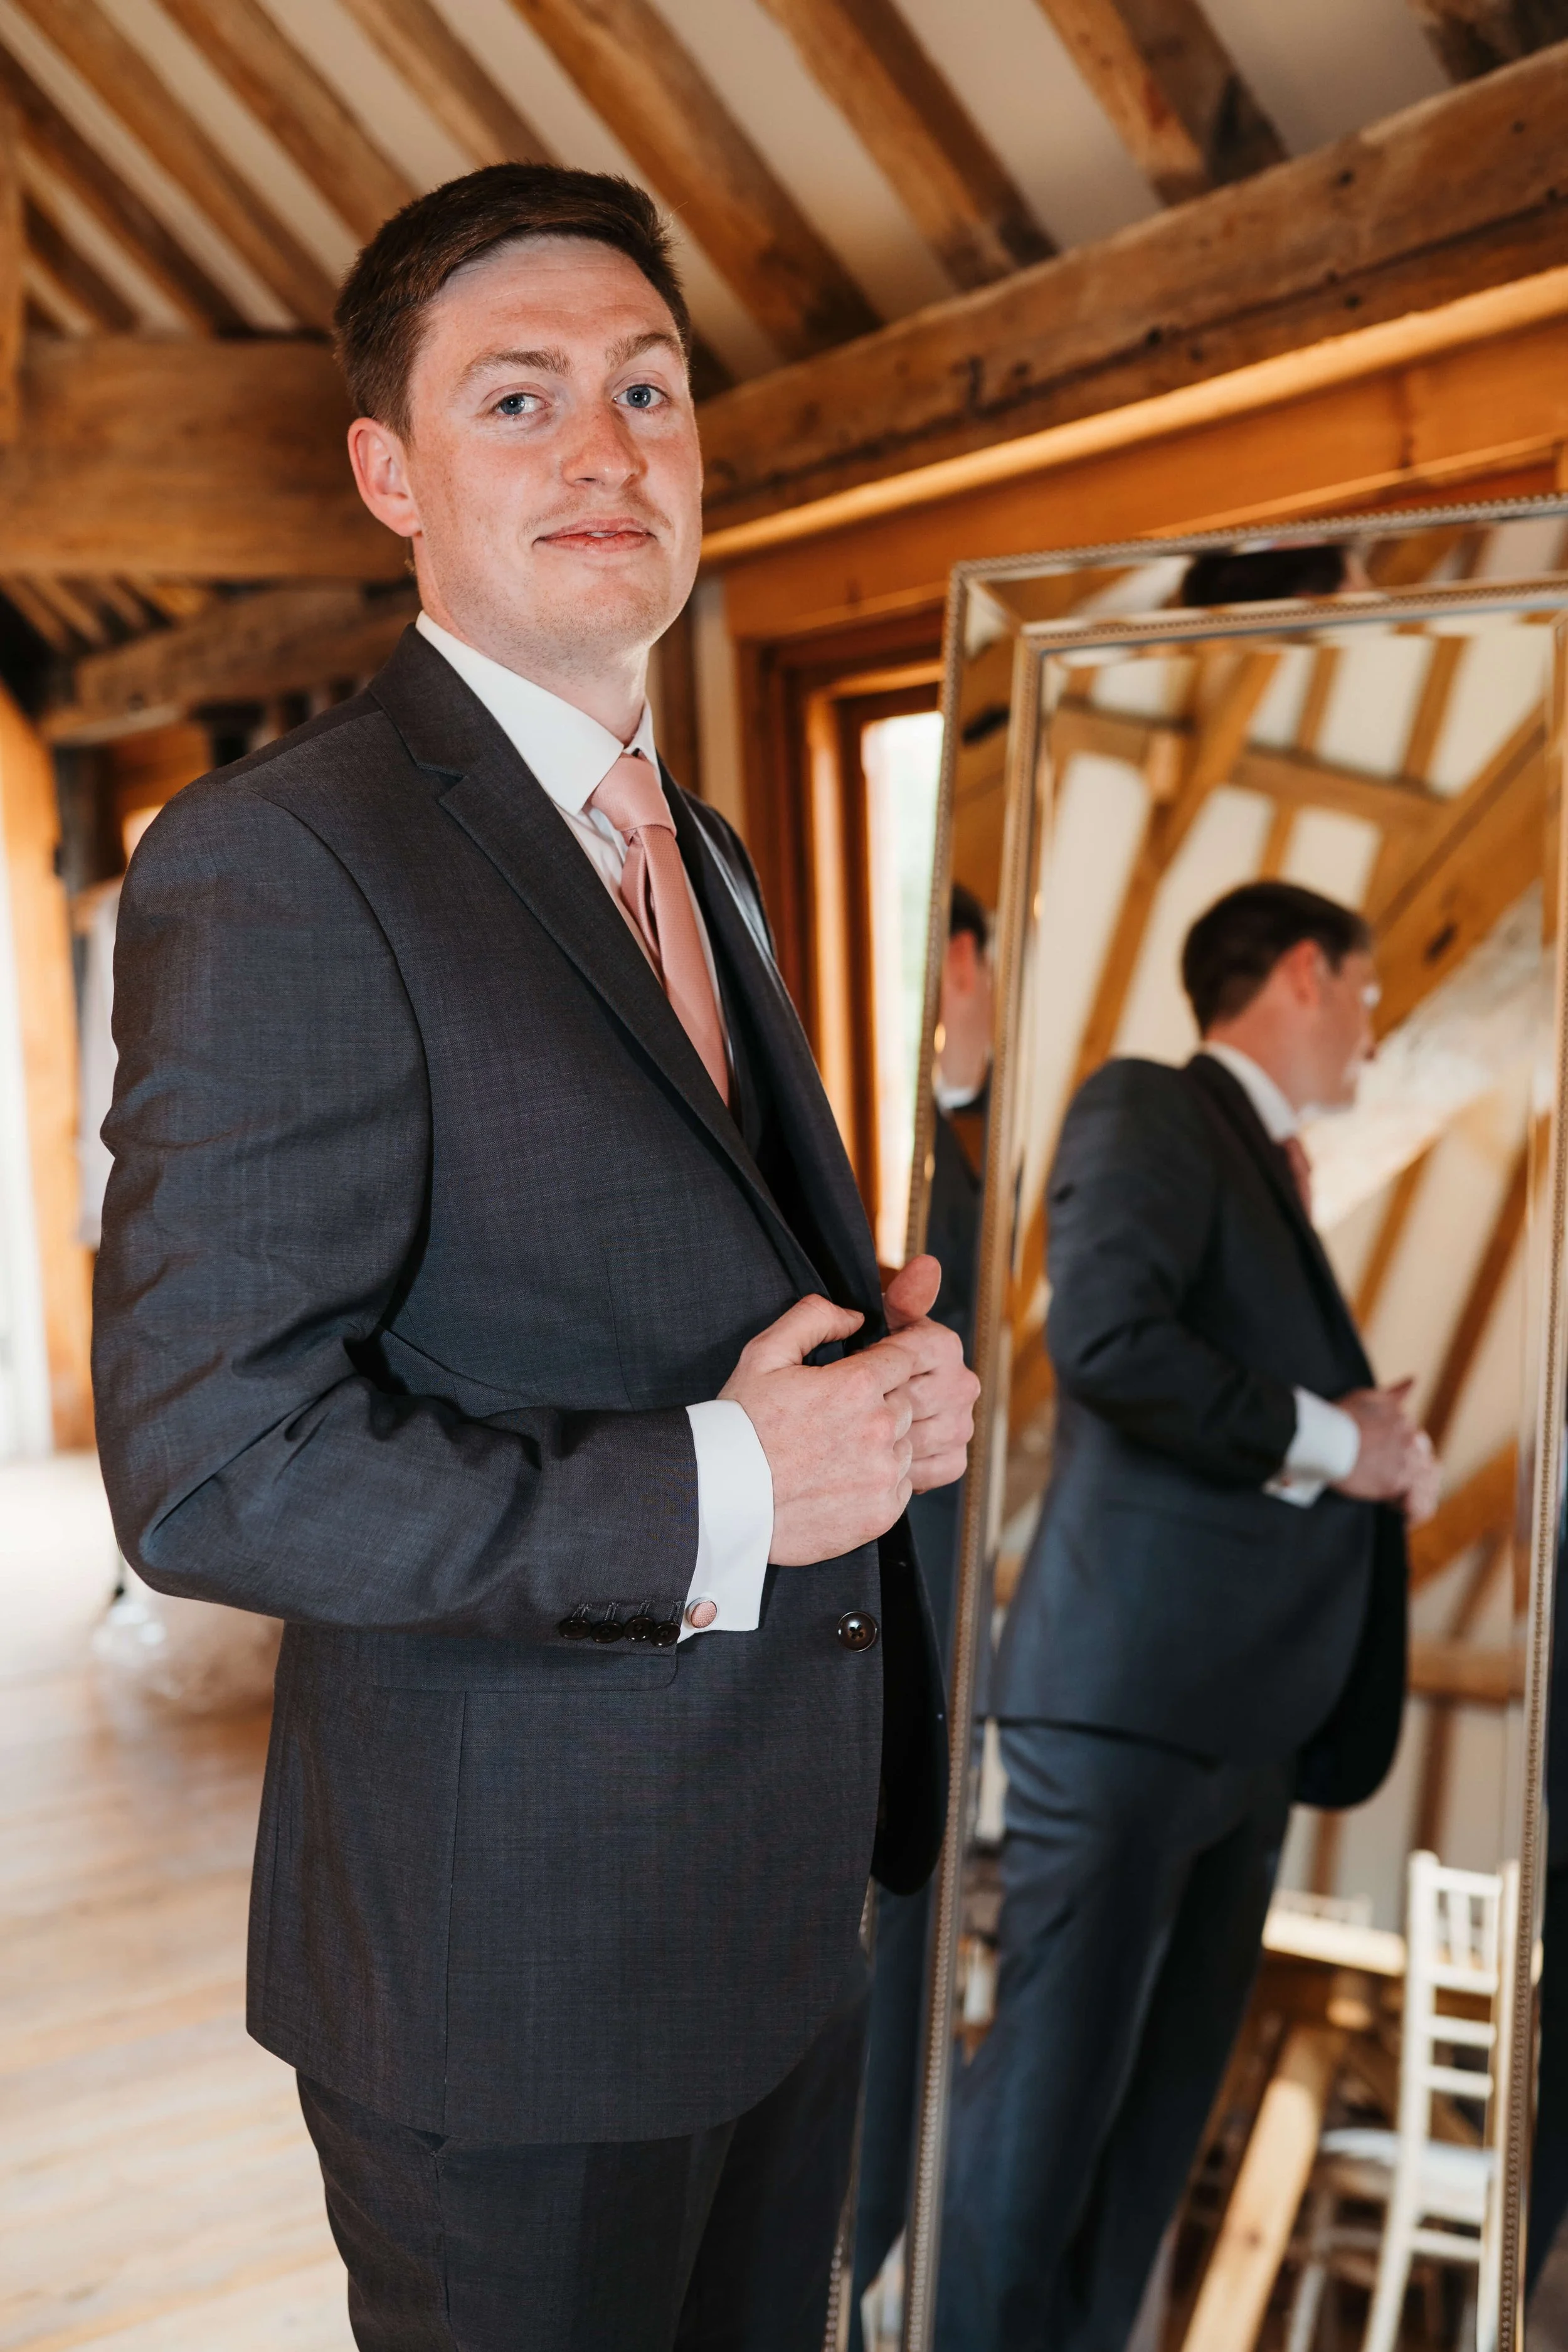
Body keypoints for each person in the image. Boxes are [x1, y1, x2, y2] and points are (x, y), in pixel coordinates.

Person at [91, 165, 979, 2352]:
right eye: (521, 400)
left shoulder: (712, 853)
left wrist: (874, 1379)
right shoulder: (282, 858)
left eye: (649, 390)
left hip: (787, 1923)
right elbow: (215, 1465)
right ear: (390, 472)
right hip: (514, 1983)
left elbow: (669, 1274)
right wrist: (744, 1485)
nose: (608, 448)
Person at [935, 880, 1438, 2352]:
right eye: (1362, 989)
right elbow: (1107, 1343)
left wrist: (1357, 1453)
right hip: (1129, 1707)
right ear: (1300, 973)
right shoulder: (1145, 1106)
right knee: (1044, 2110)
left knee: (1149, 2142)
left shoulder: (1267, 1172)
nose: (1368, 1025)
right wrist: (1345, 1444)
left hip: (1245, 1725)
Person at [850, 884, 992, 2348]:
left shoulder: (986, 1126)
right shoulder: (889, 1129)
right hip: (869, 1625)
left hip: (977, 1623)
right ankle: (854, 2251)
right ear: (960, 963)